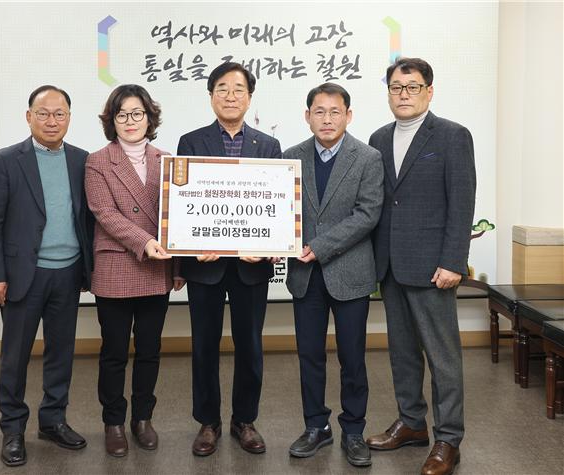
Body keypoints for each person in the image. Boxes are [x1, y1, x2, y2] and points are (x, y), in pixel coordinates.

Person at [366, 57, 476, 475]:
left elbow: (462, 202)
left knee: (442, 357)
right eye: (396, 87)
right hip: (391, 265)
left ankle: (448, 438)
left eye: (412, 87)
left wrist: (453, 261)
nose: (403, 94)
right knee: (402, 352)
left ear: (429, 91)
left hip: (434, 268)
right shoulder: (378, 138)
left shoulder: (452, 136)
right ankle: (412, 423)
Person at [0, 85, 93, 467]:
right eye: (43, 113)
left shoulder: (81, 160)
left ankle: (53, 420)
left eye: (59, 114)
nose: (51, 121)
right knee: (15, 357)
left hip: (68, 272)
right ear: (29, 117)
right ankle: (13, 429)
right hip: (21, 275)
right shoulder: (6, 160)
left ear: (69, 118)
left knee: (61, 352)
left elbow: (86, 217)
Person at [176, 61, 282, 456]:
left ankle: (244, 420)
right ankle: (208, 422)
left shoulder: (268, 146)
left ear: (250, 98)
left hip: (252, 267)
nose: (230, 96)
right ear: (211, 96)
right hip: (204, 264)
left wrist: (268, 244)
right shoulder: (191, 142)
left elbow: (275, 206)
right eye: (222, 88)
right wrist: (192, 245)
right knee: (203, 346)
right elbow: (184, 203)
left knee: (250, 346)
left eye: (238, 89)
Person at [284, 83, 383, 467]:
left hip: (350, 273)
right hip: (304, 276)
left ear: (348, 115)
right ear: (307, 116)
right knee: (309, 355)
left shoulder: (368, 158)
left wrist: (320, 246)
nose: (327, 119)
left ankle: (353, 430)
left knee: (352, 357)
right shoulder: (290, 158)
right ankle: (316, 426)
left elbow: (367, 214)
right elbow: (280, 212)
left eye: (335, 111)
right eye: (319, 111)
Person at [84, 84, 185, 457]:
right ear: (111, 120)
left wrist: (178, 266)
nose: (130, 121)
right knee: (113, 352)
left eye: (137, 113)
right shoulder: (97, 161)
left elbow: (178, 218)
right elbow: (105, 213)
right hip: (116, 266)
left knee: (149, 350)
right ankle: (113, 421)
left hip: (157, 269)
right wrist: (144, 242)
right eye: (122, 114)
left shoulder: (167, 160)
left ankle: (143, 418)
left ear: (149, 117)